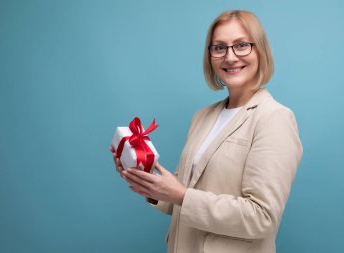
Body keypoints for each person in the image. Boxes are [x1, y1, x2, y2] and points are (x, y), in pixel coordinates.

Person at [110, 10, 302, 253]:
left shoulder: (274, 118)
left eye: (241, 45)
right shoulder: (202, 117)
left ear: (260, 50)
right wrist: (145, 179)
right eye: (219, 48)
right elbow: (181, 192)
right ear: (210, 56)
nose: (230, 57)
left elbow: (262, 217)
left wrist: (182, 196)